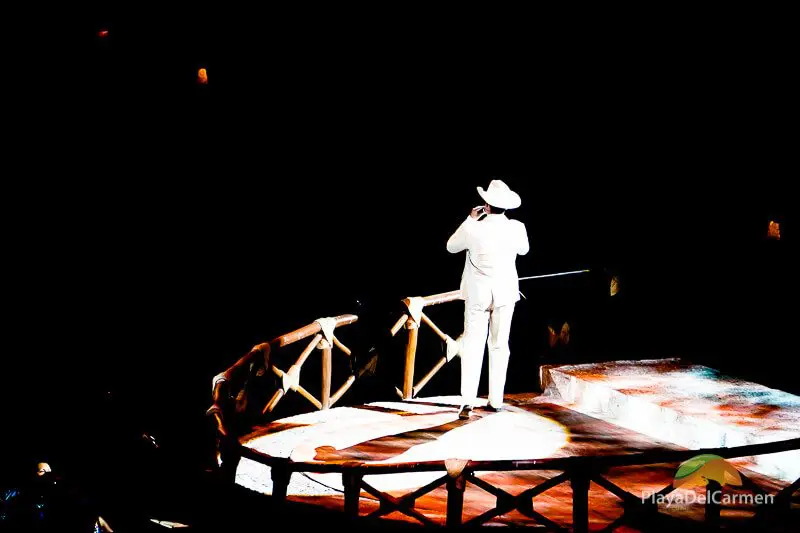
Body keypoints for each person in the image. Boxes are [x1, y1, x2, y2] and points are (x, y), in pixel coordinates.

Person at [446, 180, 529, 419]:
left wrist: (470, 219)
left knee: (473, 345)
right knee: (500, 345)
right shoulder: (517, 228)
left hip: (478, 294)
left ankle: (468, 401)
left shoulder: (474, 228)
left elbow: (451, 246)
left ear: (486, 205)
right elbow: (523, 250)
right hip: (505, 293)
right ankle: (496, 399)